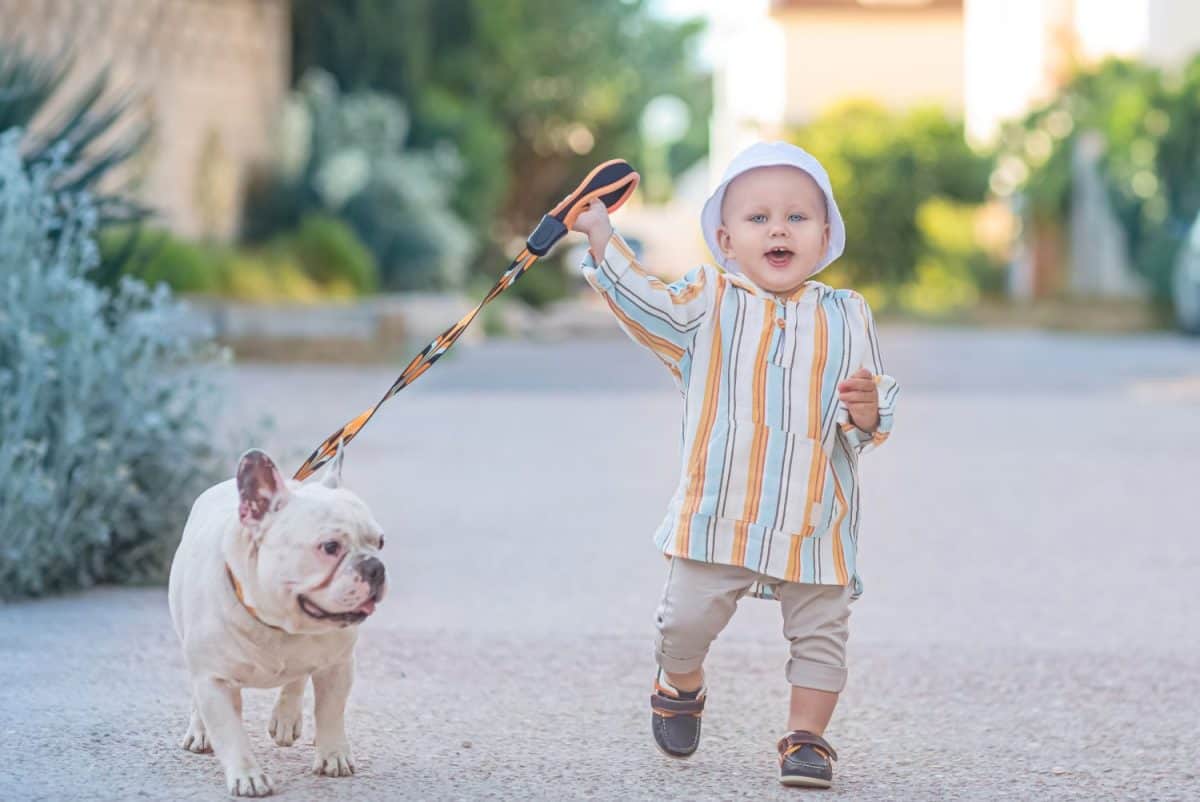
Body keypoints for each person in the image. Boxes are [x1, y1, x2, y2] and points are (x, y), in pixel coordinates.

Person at [570, 141, 899, 788]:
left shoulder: (847, 314)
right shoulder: (708, 301)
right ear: (725, 237)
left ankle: (807, 738)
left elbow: (869, 414)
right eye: (758, 218)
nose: (779, 228)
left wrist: (866, 412)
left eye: (797, 217)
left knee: (823, 635)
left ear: (825, 233)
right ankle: (680, 680)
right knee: (683, 624)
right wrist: (603, 235)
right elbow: (646, 304)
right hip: (719, 512)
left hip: (814, 518)